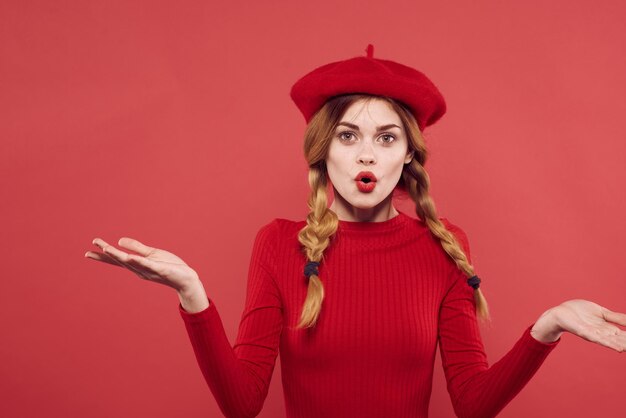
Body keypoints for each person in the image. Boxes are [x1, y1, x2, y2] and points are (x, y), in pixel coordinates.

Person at [85, 45, 626, 418]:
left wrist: (548, 327)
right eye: (348, 135)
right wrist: (193, 297)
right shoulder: (277, 244)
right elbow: (243, 403)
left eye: (387, 138)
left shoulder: (445, 246)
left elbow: (473, 402)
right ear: (325, 150)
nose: (367, 152)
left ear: (409, 154)